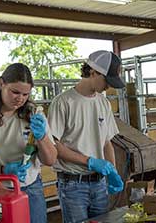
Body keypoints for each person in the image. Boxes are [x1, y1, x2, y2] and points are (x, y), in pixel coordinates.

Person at [0, 63, 57, 223]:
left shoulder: (33, 114)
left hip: (30, 189)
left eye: (25, 94)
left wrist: (42, 137)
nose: (20, 99)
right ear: (2, 84)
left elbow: (50, 160)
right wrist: (4, 170)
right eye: (15, 92)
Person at [48, 50, 125, 223]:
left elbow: (106, 143)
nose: (109, 86)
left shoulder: (103, 102)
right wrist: (88, 160)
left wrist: (112, 171)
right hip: (73, 184)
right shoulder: (64, 102)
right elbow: (54, 145)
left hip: (99, 183)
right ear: (93, 72)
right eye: (107, 80)